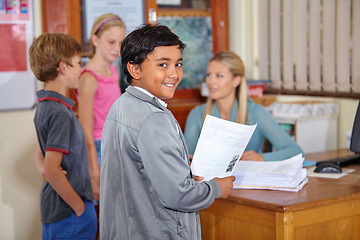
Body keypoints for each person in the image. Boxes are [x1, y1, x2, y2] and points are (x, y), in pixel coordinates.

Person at [100, 24, 235, 239]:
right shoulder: (154, 117)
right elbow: (178, 195)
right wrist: (217, 188)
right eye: (163, 64)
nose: (174, 73)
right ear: (135, 69)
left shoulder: (122, 105)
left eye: (178, 64)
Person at [30, 33, 96, 239]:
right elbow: (52, 168)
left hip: (57, 210)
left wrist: (46, 171)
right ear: (63, 67)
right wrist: (80, 208)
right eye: (78, 63)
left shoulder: (44, 106)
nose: (81, 69)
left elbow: (40, 156)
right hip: (70, 212)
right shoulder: (60, 113)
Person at [184, 51, 304, 162]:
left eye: (219, 76)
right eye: (208, 75)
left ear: (236, 80)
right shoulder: (197, 114)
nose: (210, 81)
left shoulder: (256, 112)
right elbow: (187, 157)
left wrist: (262, 158)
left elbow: (295, 151)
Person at [76, 13, 126, 202]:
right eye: (111, 42)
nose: (117, 49)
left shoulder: (112, 70)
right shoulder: (89, 78)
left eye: (121, 43)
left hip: (115, 143)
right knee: (103, 209)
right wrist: (94, 171)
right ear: (95, 39)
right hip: (98, 148)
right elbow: (85, 131)